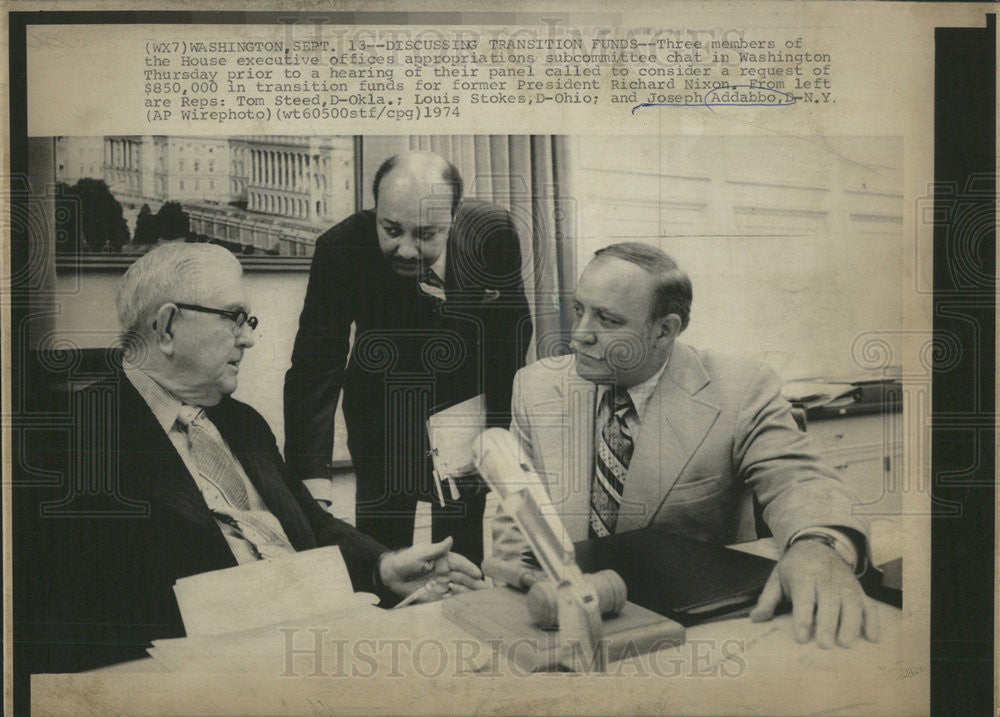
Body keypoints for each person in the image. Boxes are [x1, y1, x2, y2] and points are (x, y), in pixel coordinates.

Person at [20, 242, 483, 673]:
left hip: (325, 648)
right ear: (166, 327)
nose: (249, 340)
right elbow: (74, 618)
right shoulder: (68, 441)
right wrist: (277, 603)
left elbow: (313, 528)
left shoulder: (244, 423)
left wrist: (385, 566)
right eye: (235, 318)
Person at [492, 242, 880, 649]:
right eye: (579, 309)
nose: (579, 335)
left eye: (607, 319)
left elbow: (800, 480)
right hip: (564, 624)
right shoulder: (536, 387)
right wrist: (522, 586)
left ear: (665, 330)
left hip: (696, 635)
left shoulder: (741, 389)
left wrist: (816, 545)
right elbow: (517, 525)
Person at [284, 151, 532, 567]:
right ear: (375, 208)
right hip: (381, 415)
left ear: (454, 218)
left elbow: (511, 336)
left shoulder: (494, 232)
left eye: (426, 234)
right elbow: (316, 363)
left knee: (460, 550)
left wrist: (497, 436)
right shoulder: (340, 248)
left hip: (463, 412)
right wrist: (313, 479)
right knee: (383, 549)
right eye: (392, 229)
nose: (405, 249)